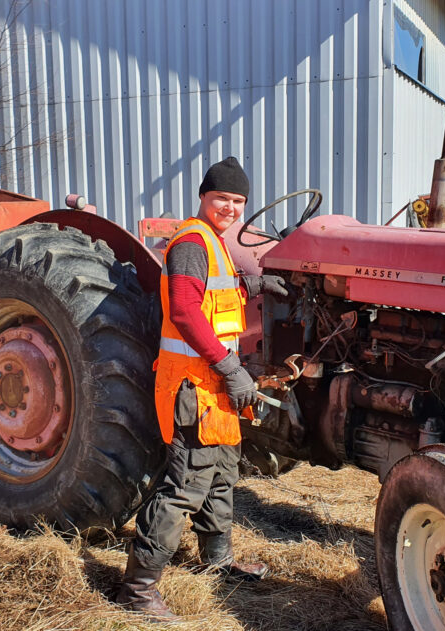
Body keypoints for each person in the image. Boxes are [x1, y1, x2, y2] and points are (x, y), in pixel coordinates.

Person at [116, 156, 289, 621]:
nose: (230, 207)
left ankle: (218, 560)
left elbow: (214, 296)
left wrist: (253, 283)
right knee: (185, 485)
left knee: (221, 476)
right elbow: (187, 311)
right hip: (195, 385)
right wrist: (231, 368)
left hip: (216, 386)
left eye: (238, 200)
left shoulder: (214, 241)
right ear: (203, 197)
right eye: (222, 198)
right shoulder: (192, 241)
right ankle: (138, 589)